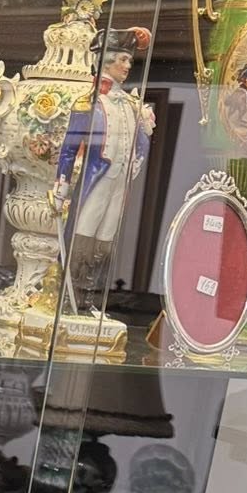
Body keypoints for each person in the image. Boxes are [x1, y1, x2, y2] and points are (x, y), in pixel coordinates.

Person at [58, 25, 155, 296]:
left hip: (120, 180)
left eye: (129, 60)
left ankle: (91, 289)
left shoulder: (132, 105)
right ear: (107, 61)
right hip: (97, 176)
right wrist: (61, 185)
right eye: (123, 59)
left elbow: (140, 142)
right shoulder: (88, 103)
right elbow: (69, 149)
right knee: (85, 227)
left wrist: (139, 154)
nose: (128, 66)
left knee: (108, 232)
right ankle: (70, 288)